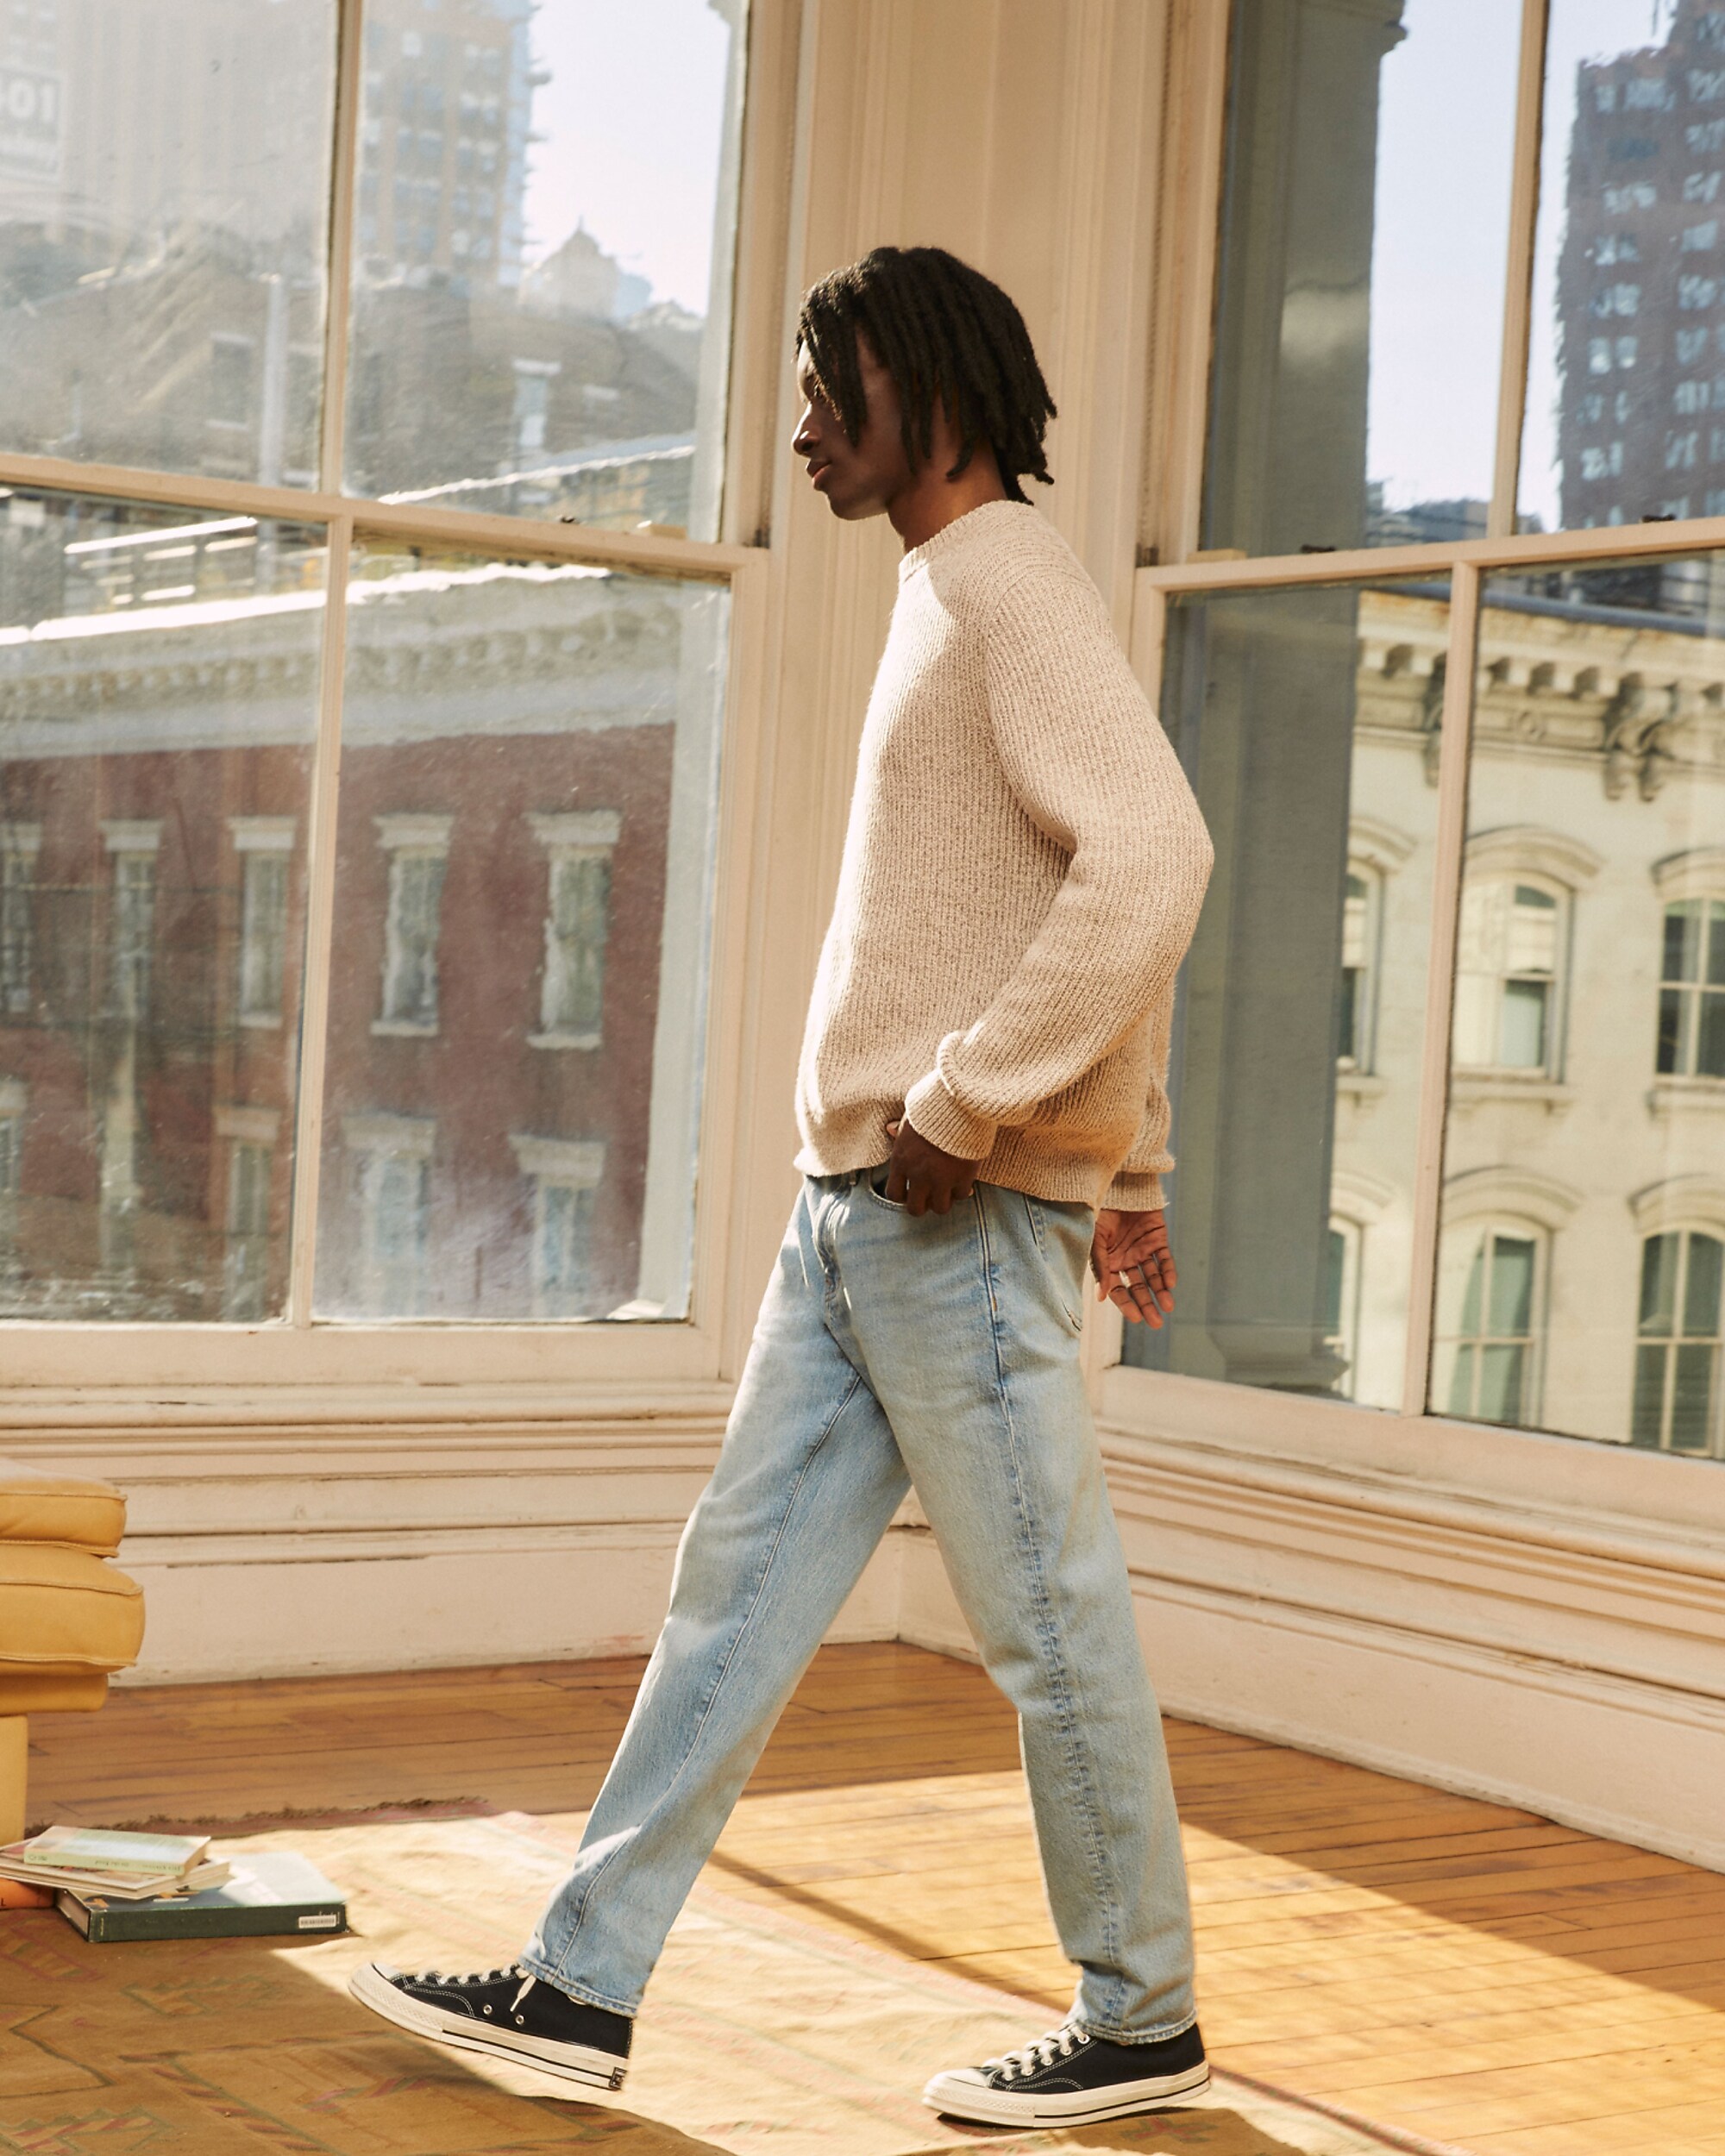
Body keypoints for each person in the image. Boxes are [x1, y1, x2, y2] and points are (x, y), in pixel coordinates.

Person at [349, 244, 1215, 2131]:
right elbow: (1059, 887)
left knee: (1045, 1623)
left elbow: (1151, 857)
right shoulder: (947, 592)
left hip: (949, 1211)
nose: (803, 424)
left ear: (927, 387)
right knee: (730, 1600)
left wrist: (978, 1106)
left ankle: (1140, 2014)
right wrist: (1127, 1165)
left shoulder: (1007, 586)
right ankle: (579, 1983)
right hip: (864, 1213)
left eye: (832, 387)